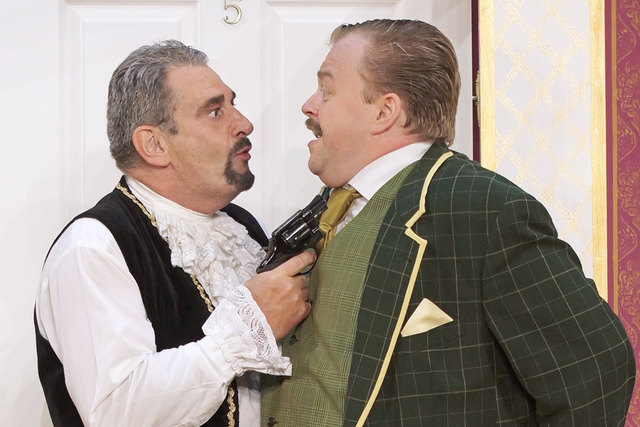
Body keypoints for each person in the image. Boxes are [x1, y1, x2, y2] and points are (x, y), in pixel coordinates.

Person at [261, 19, 636, 426]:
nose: (309, 106)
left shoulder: (486, 210)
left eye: (327, 90)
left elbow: (596, 372)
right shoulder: (328, 205)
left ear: (385, 111)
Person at [35, 40, 315, 427]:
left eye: (233, 103)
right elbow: (116, 411)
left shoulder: (241, 225)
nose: (244, 123)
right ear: (154, 145)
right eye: (215, 111)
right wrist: (245, 330)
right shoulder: (94, 246)